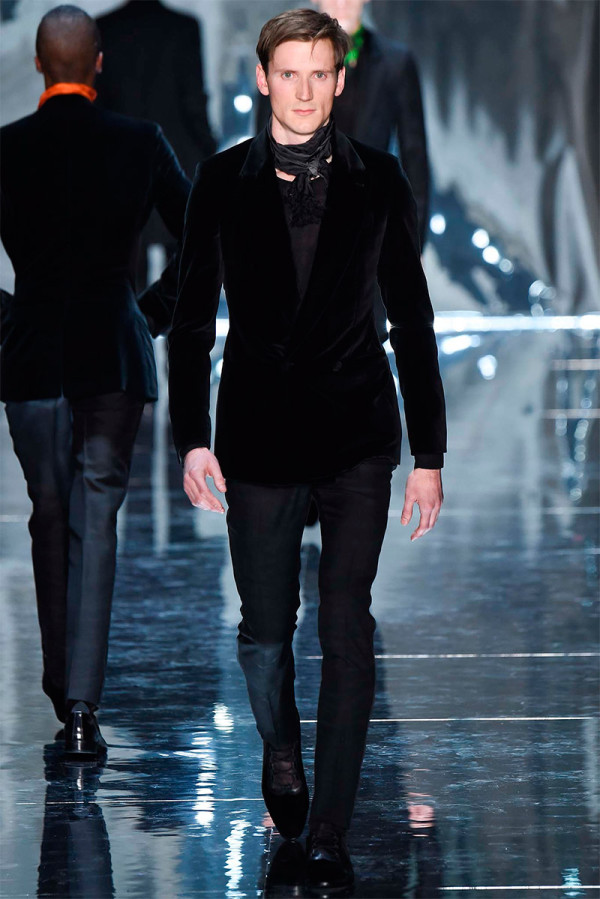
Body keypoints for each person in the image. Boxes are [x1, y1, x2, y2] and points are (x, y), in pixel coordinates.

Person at [168, 8, 446, 893]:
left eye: (318, 74)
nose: (302, 90)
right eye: (287, 73)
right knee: (263, 630)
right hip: (256, 438)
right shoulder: (220, 181)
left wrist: (429, 454)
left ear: (339, 80)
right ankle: (280, 747)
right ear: (263, 79)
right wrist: (191, 438)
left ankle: (329, 826)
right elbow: (189, 323)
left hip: (356, 434)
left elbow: (413, 321)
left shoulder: (378, 180)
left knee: (346, 622)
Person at [0, 5, 189, 756]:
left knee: (49, 515)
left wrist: (9, 318)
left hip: (33, 358)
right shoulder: (140, 142)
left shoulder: (6, 148)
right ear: (98, 65)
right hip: (112, 354)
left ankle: (63, 690)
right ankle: (81, 706)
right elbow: (203, 238)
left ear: (40, 66)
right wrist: (151, 313)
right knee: (96, 521)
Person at [256, 0, 430, 249]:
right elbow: (262, 149)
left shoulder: (396, 64)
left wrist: (413, 242)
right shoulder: (281, 58)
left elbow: (415, 158)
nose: (341, 2)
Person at [96, 0, 216, 289]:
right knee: (182, 274)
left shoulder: (104, 28)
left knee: (127, 274)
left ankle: (135, 320)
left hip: (123, 164)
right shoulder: (184, 28)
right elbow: (193, 99)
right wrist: (208, 148)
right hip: (176, 160)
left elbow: (99, 104)